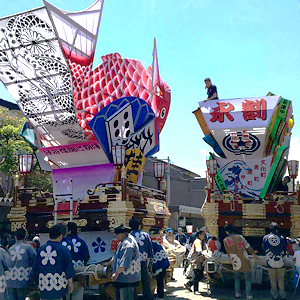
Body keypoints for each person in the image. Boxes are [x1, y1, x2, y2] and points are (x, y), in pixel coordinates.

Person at [33, 224, 75, 300]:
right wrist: (70, 283)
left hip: (44, 285)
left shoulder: (41, 249)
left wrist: (35, 282)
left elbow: (35, 267)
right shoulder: (63, 249)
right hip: (58, 286)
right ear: (60, 236)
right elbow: (68, 267)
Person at [223, 224, 258, 300]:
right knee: (247, 278)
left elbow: (227, 251)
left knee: (237, 277)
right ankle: (248, 295)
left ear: (227, 232)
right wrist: (253, 253)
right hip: (244, 258)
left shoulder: (225, 240)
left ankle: (237, 293)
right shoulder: (240, 237)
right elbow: (247, 246)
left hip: (234, 260)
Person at [111, 224, 141, 300]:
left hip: (127, 278)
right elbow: (117, 257)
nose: (115, 236)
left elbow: (124, 263)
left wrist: (116, 273)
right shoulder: (125, 241)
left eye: (116, 235)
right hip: (127, 278)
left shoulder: (128, 245)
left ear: (122, 234)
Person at [6, 228, 36, 300]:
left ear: (15, 237)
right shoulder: (28, 247)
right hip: (22, 278)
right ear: (25, 236)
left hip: (10, 278)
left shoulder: (10, 248)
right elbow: (35, 260)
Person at [129, 218, 154, 300]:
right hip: (143, 261)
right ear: (139, 226)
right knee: (145, 281)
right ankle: (148, 297)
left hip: (131, 262)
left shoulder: (128, 236)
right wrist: (148, 262)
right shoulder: (145, 235)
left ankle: (133, 297)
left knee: (132, 281)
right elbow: (150, 250)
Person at [65, 222, 90, 300]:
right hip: (79, 273)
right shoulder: (82, 242)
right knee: (78, 295)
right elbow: (86, 258)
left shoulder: (63, 242)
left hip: (65, 275)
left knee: (66, 295)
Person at [263, 222, 287, 300]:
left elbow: (264, 249)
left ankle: (274, 295)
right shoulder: (282, 238)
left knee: (273, 280)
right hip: (280, 262)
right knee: (281, 279)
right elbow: (284, 249)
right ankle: (282, 295)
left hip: (270, 262)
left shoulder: (265, 237)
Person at [149, 227, 170, 300]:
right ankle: (159, 295)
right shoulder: (155, 242)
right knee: (160, 281)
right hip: (163, 262)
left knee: (159, 281)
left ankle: (160, 296)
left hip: (159, 263)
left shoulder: (151, 243)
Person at [184, 230, 206, 295]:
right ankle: (195, 289)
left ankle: (189, 284)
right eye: (203, 235)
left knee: (199, 274)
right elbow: (199, 251)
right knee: (197, 275)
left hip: (197, 259)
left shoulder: (199, 241)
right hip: (196, 260)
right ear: (199, 235)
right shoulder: (198, 241)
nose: (204, 236)